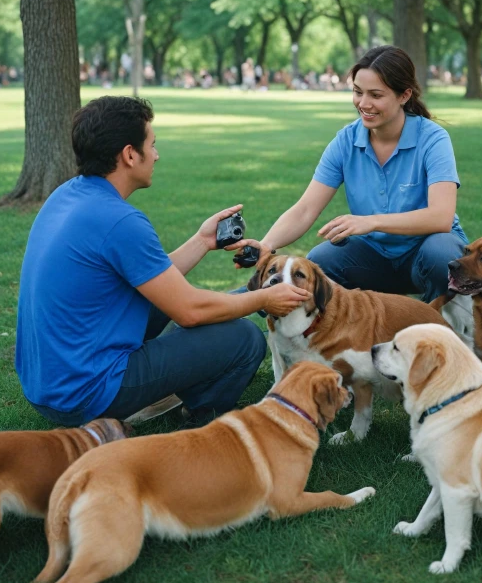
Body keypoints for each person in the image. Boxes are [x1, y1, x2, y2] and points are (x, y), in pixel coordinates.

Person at [16, 96, 310, 428]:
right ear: (130, 154)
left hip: (46, 385)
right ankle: (199, 416)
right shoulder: (119, 221)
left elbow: (150, 276)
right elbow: (190, 310)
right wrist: (264, 298)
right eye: (152, 145)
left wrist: (202, 241)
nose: (156, 154)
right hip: (82, 394)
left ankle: (175, 384)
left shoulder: (68, 195)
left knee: (220, 302)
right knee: (243, 338)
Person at [232, 45, 468, 302]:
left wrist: (371, 221)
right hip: (375, 257)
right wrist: (266, 246)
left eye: (376, 95)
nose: (363, 104)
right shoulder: (346, 140)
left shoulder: (432, 138)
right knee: (321, 261)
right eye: (357, 92)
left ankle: (441, 331)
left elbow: (441, 217)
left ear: (404, 95)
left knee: (441, 254)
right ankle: (344, 336)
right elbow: (305, 209)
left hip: (425, 252)